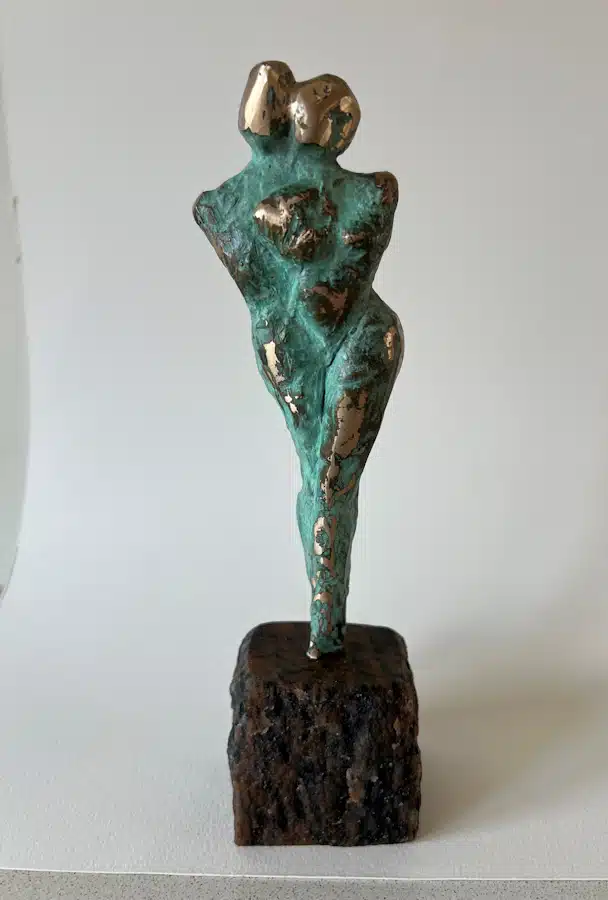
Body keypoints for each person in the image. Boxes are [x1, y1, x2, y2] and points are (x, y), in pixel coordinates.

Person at [194, 61, 403, 659]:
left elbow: (332, 300)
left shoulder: (372, 192)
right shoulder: (221, 205)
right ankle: (324, 621)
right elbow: (301, 299)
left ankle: (325, 626)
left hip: (359, 340)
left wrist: (301, 239)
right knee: (319, 477)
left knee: (331, 478)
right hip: (285, 350)